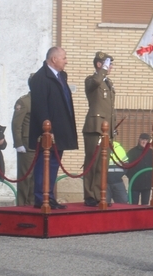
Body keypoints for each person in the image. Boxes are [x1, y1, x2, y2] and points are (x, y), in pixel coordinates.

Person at [29, 47, 78, 209]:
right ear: (54, 59)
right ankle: (41, 197)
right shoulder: (40, 78)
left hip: (61, 130)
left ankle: (49, 196)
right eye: (64, 57)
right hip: (48, 133)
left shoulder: (61, 76)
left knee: (54, 165)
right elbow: (40, 107)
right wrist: (47, 131)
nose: (66, 61)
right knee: (44, 164)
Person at [82, 52, 116, 207]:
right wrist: (102, 71)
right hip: (95, 127)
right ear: (99, 64)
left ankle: (99, 195)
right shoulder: (91, 80)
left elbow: (110, 109)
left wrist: (113, 129)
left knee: (102, 164)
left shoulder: (108, 83)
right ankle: (90, 195)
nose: (111, 67)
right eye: (108, 63)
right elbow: (96, 81)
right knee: (92, 162)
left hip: (106, 129)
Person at [12, 83, 35, 206]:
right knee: (25, 177)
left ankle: (32, 204)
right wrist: (18, 143)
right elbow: (16, 124)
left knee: (36, 178)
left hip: (39, 144)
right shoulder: (24, 101)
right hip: (27, 144)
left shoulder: (42, 100)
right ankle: (22, 205)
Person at [126, 133, 153, 205]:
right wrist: (131, 176)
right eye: (142, 139)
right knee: (134, 206)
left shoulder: (151, 152)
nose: (144, 142)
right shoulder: (131, 152)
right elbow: (126, 166)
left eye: (146, 140)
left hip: (147, 185)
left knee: (145, 205)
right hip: (135, 184)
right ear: (139, 140)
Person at [107, 133, 129, 205]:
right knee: (104, 206)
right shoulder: (99, 147)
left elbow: (126, 164)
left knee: (123, 204)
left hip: (118, 182)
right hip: (104, 184)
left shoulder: (118, 147)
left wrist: (118, 176)